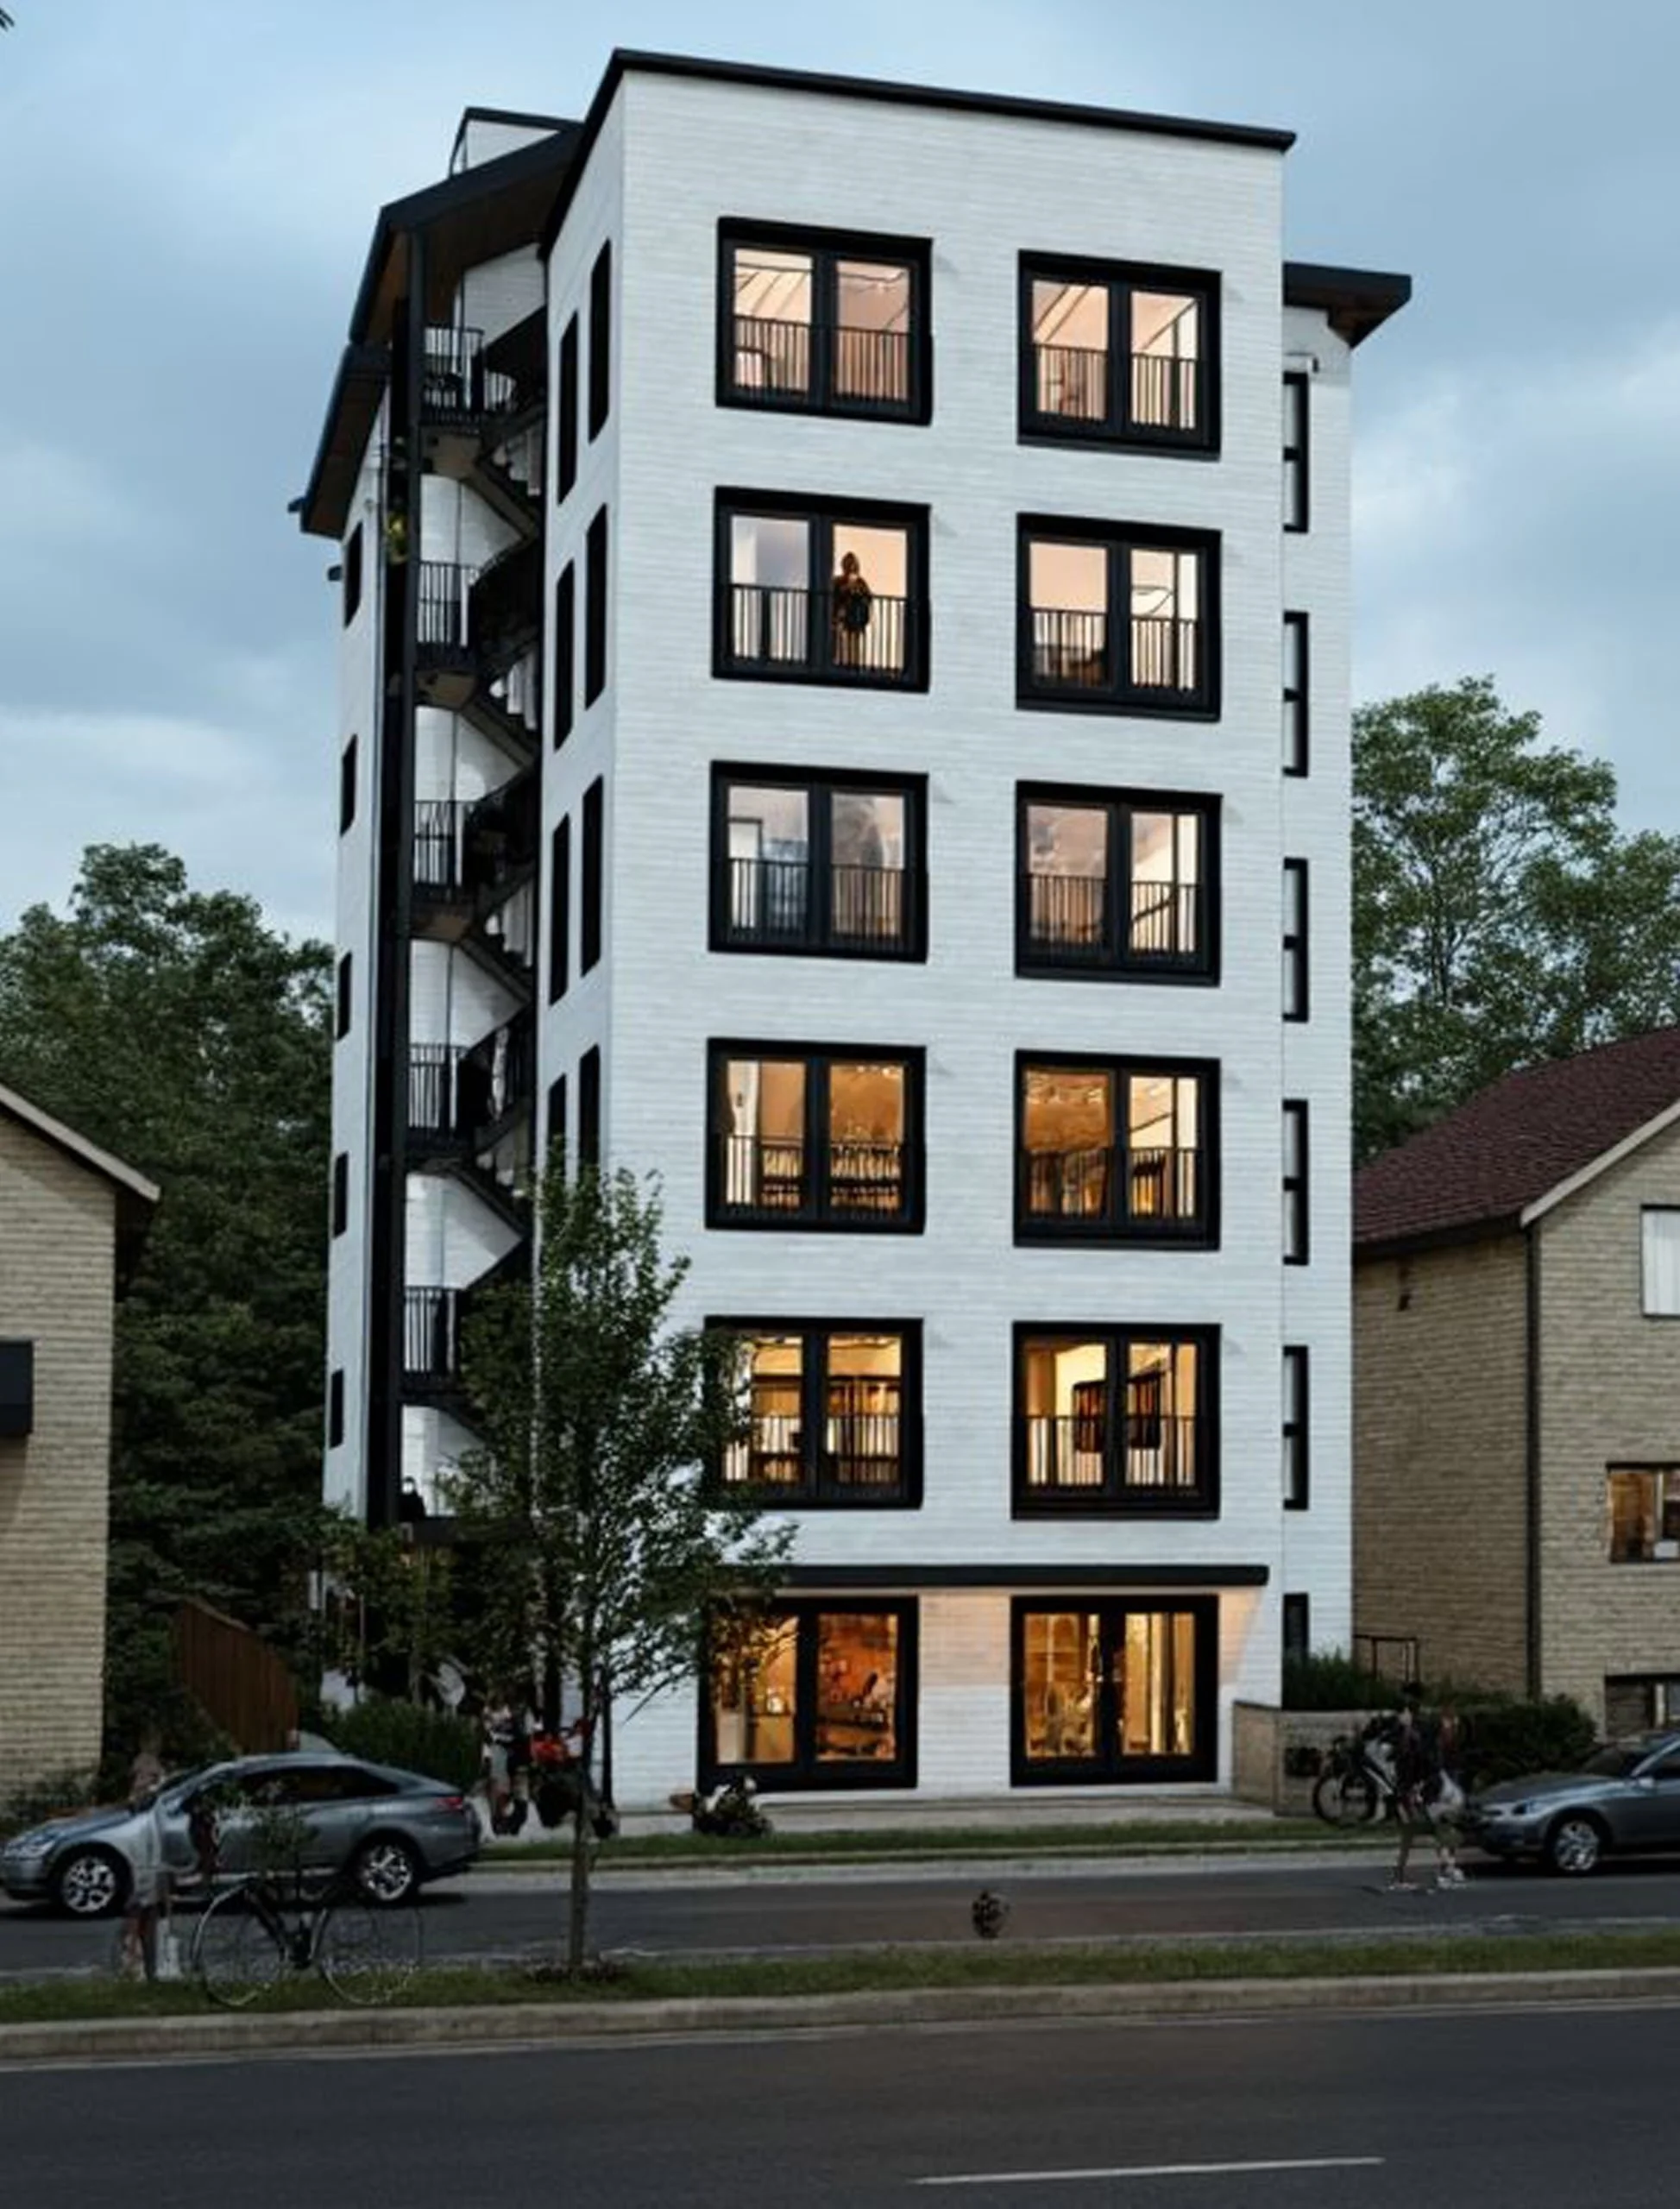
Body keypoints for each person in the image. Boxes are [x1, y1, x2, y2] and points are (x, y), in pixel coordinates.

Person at [120, 1731, 168, 1980]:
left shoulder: (145, 1765)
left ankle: (143, 1964)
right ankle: (138, 1962)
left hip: (150, 1851)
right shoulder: (148, 1767)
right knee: (144, 1906)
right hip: (146, 1853)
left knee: (148, 1909)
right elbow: (141, 1797)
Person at [831, 551, 873, 667]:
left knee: (854, 645)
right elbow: (834, 597)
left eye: (852, 564)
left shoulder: (860, 582)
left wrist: (858, 592)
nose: (850, 567)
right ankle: (841, 664)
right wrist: (846, 589)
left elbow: (868, 597)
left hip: (855, 618)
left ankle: (853, 665)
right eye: (848, 564)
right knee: (841, 643)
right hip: (843, 618)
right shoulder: (838, 581)